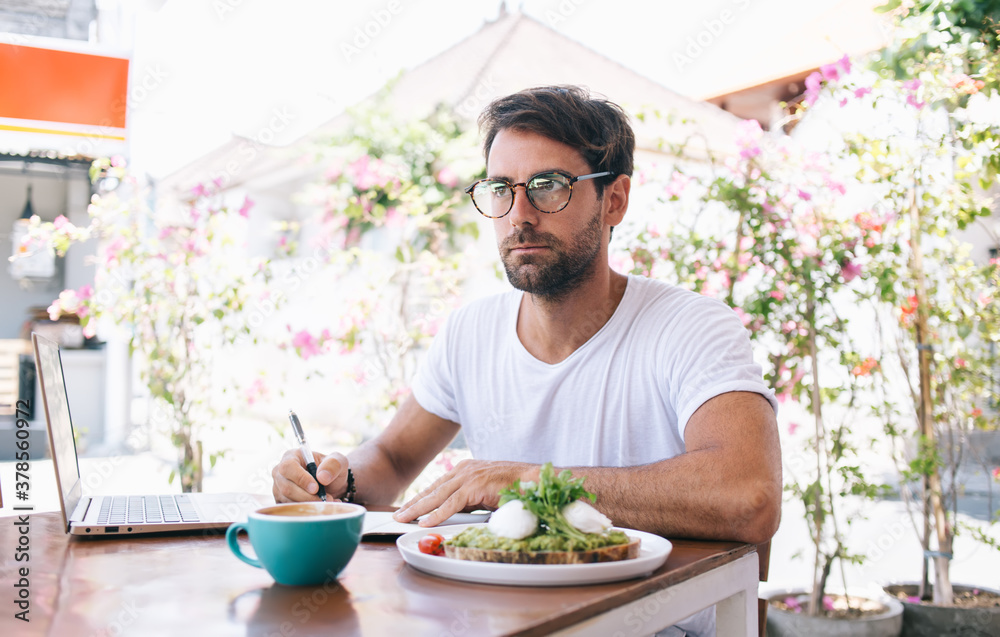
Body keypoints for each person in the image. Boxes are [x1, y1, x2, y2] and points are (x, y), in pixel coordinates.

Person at [272, 84, 780, 546]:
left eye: (548, 185)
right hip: (502, 610)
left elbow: (747, 494)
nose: (520, 215)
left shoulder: (690, 328)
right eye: (501, 190)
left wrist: (525, 483)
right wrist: (339, 476)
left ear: (615, 201)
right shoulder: (470, 332)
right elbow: (391, 459)